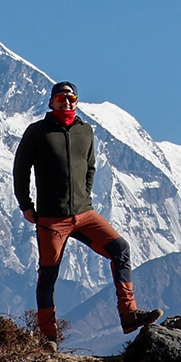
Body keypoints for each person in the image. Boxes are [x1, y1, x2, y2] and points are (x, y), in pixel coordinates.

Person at [14, 81, 161, 344]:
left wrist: (85, 197)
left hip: (84, 215)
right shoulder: (37, 132)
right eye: (61, 98)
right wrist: (26, 205)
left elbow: (90, 167)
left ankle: (129, 315)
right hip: (51, 219)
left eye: (71, 98)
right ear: (51, 102)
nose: (66, 102)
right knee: (48, 276)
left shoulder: (86, 131)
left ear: (77, 102)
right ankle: (48, 337)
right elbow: (20, 170)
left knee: (120, 250)